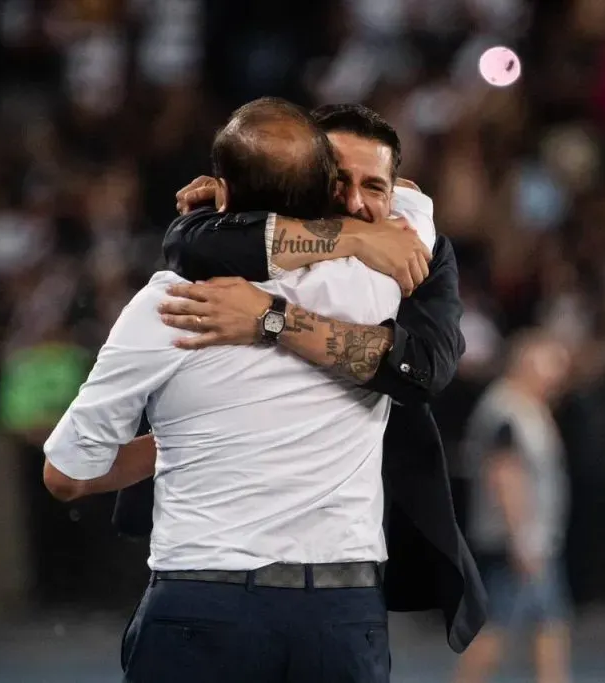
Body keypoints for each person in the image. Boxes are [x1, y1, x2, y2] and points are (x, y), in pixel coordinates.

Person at [43, 97, 436, 682]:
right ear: (326, 193)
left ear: (219, 192)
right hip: (339, 614)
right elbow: (403, 196)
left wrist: (182, 443)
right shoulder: (378, 281)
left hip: (204, 609)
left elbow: (67, 475)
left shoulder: (168, 306)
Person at [121, 102, 487, 654]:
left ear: (396, 192)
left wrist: (272, 319)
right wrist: (354, 240)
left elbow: (424, 370)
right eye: (336, 180)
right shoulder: (231, 227)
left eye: (373, 187)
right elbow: (185, 242)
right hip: (213, 545)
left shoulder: (419, 250)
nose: (355, 202)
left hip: (343, 563)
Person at [454, 330, 572, 683]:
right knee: (496, 628)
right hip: (516, 541)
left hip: (532, 539)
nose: (559, 377)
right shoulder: (506, 410)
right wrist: (522, 539)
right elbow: (504, 474)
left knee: (549, 625)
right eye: (553, 367)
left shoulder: (527, 408)